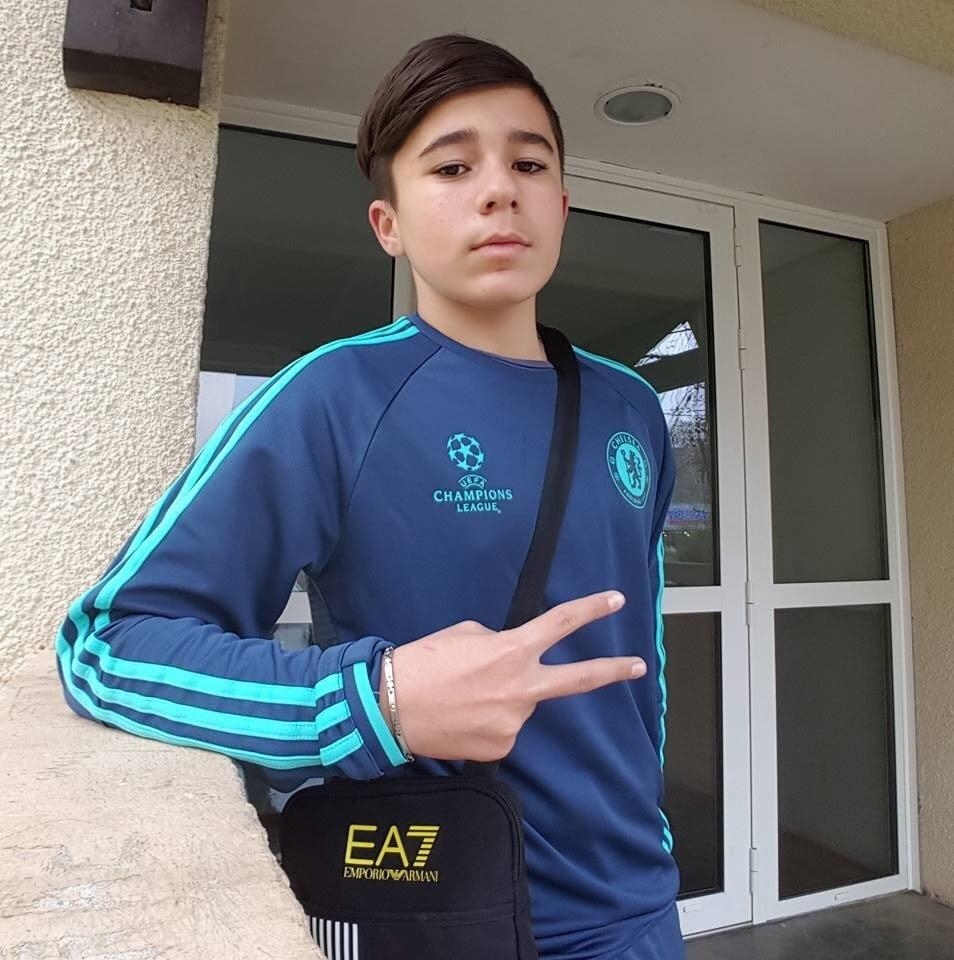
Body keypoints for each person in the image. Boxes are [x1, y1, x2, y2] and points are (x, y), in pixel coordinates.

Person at [55, 33, 682, 960]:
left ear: (561, 203)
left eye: (529, 162)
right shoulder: (335, 396)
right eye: (453, 166)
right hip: (442, 914)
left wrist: (652, 833)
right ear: (388, 224)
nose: (499, 189)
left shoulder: (632, 407)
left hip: (638, 914)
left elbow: (641, 654)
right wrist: (374, 700)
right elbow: (106, 647)